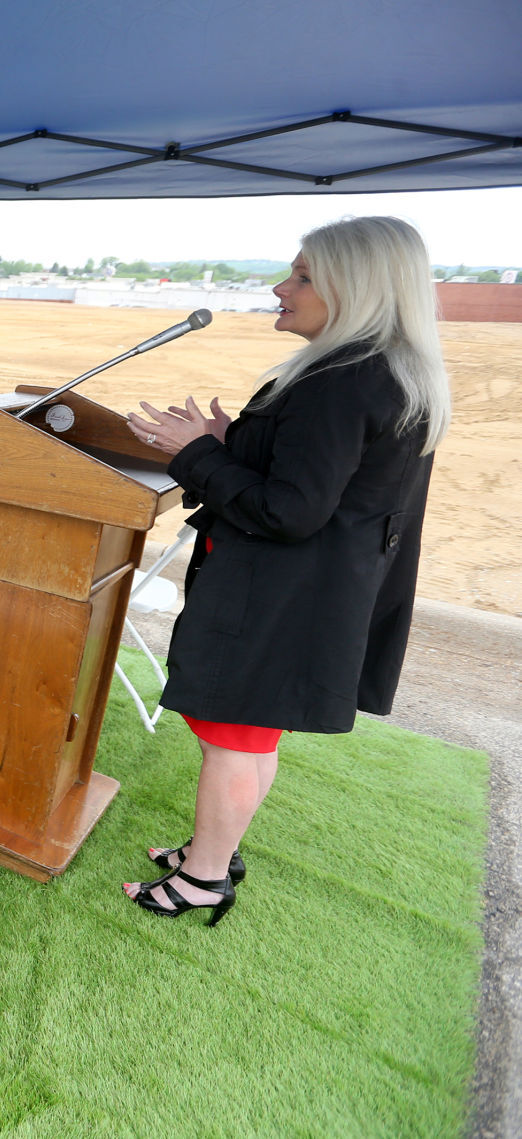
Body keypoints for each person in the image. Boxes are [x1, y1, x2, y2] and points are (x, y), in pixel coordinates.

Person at [119, 216, 452, 925]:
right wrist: (227, 440)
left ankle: (205, 877)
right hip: (307, 594)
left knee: (236, 735)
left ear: (356, 290)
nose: (281, 287)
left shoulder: (343, 379)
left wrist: (197, 455)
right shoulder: (378, 369)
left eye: (303, 277)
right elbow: (317, 476)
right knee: (247, 732)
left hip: (282, 597)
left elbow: (291, 509)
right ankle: (215, 847)